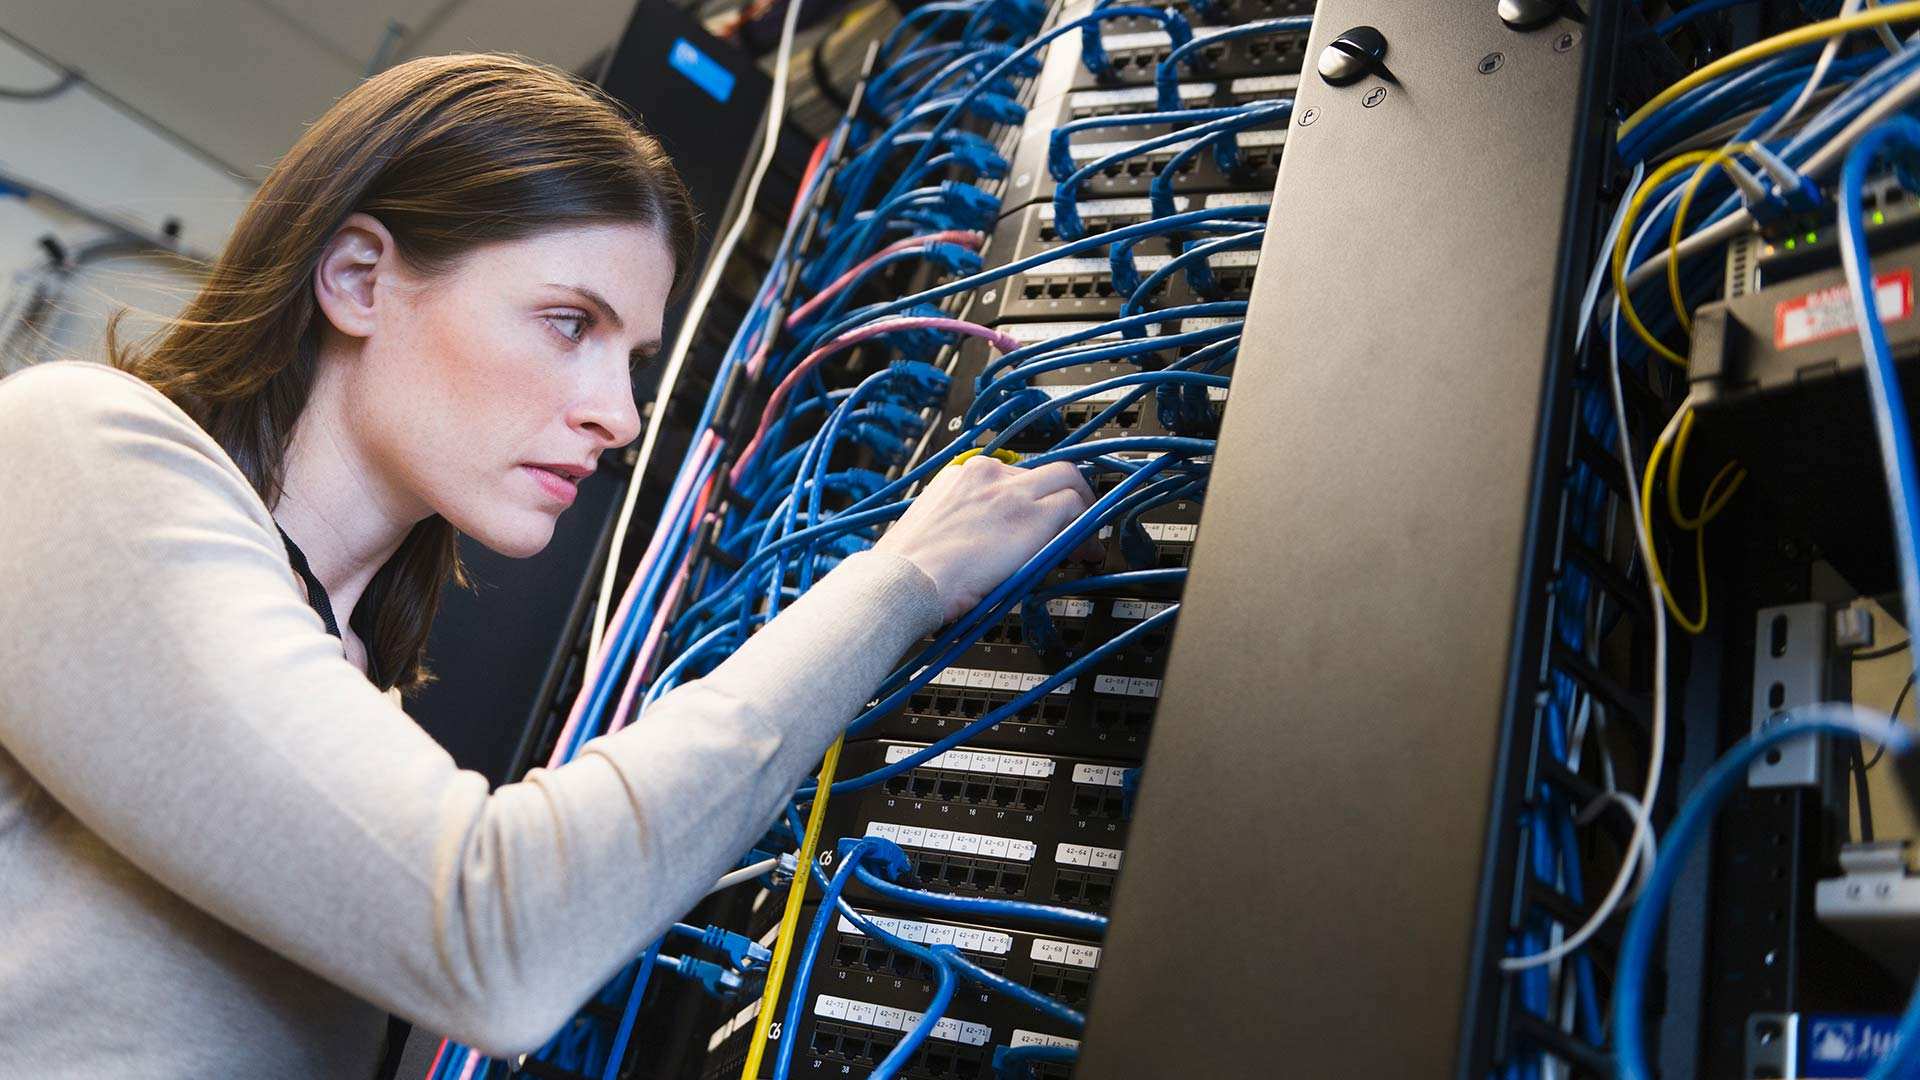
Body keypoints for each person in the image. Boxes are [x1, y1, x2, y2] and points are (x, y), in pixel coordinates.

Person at [0, 53, 1098, 1077]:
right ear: (359, 278)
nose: (618, 416)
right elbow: (503, 932)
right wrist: (897, 581)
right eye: (570, 322)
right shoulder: (75, 448)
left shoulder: (361, 693)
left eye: (633, 361)